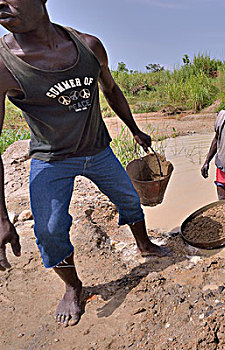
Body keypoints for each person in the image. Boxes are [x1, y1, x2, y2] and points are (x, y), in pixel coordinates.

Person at [0, 0, 167, 327]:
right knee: (49, 232)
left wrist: (135, 129)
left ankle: (144, 244)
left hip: (97, 150)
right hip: (51, 159)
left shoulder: (88, 46)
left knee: (131, 199)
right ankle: (73, 287)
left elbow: (112, 89)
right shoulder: (4, 67)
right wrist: (1, 216)